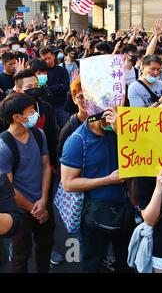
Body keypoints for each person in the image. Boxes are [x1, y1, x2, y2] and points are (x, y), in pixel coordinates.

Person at [60, 107, 134, 273]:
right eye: (109, 111)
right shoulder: (77, 140)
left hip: (126, 208)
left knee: (127, 259)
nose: (114, 115)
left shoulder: (116, 130)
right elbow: (68, 183)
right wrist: (108, 180)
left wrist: (120, 130)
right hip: (96, 215)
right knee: (93, 261)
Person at [0, 93, 53, 273]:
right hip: (20, 210)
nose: (35, 114)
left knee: (45, 246)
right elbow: (8, 190)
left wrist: (44, 200)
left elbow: (46, 166)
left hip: (42, 204)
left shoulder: (39, 134)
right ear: (17, 117)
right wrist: (34, 209)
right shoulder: (3, 147)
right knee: (20, 256)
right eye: (31, 111)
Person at [39, 47, 70, 127]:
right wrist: (58, 86)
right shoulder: (41, 72)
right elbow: (41, 89)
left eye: (49, 58)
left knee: (65, 127)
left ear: (53, 56)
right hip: (46, 106)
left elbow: (65, 87)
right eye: (44, 59)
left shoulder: (62, 70)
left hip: (61, 105)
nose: (47, 61)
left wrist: (49, 89)